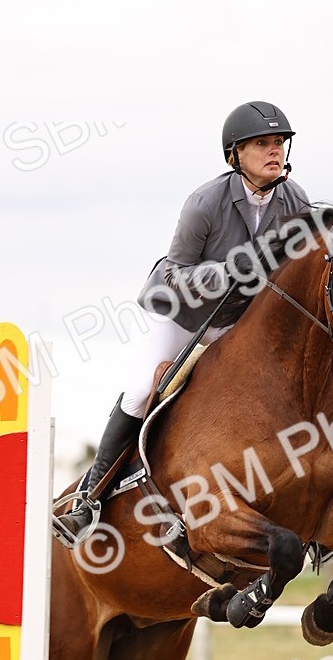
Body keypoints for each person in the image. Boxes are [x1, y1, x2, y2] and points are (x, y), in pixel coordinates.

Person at [53, 100, 311, 547]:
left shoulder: (295, 201)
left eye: (280, 143)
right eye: (262, 144)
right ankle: (89, 500)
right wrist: (229, 271)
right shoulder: (205, 202)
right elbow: (175, 272)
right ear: (236, 155)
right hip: (181, 315)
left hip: (236, 325)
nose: (275, 152)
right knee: (140, 392)